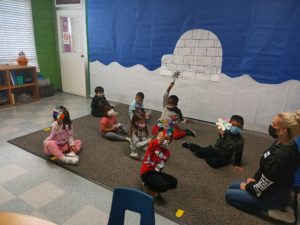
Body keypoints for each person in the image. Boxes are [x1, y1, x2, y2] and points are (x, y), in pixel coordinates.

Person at [225, 110, 300, 224]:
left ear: (283, 130)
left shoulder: (281, 157)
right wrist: (255, 179)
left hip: (272, 196)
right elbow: (265, 168)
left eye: (274, 124)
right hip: (273, 188)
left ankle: (270, 212)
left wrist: (249, 185)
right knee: (232, 185)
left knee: (229, 196)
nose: (271, 126)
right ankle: (281, 204)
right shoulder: (283, 141)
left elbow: (259, 190)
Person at [140, 127, 177, 198]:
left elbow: (161, 165)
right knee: (163, 185)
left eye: (166, 139)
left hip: (156, 172)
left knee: (174, 182)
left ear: (170, 141)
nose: (163, 139)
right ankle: (149, 189)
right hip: (146, 172)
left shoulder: (167, 153)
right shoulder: (152, 145)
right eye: (160, 136)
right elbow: (153, 145)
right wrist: (159, 142)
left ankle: (151, 182)